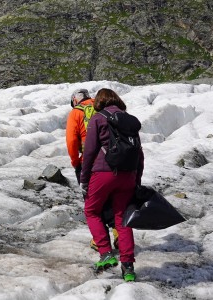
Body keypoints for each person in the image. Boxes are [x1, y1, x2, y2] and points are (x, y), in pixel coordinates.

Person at [79, 88, 142, 282]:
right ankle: (128, 267)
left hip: (103, 173)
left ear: (99, 101)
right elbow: (139, 152)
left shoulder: (98, 118)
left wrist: (84, 178)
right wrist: (136, 178)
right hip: (128, 174)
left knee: (91, 210)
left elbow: (89, 151)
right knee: (122, 219)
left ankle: (106, 254)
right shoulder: (130, 120)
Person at [68, 89, 120, 253]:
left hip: (89, 162)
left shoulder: (76, 113)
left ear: (75, 101)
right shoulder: (102, 108)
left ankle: (100, 241)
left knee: (93, 203)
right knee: (112, 198)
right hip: (112, 159)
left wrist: (76, 162)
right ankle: (118, 231)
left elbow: (71, 140)